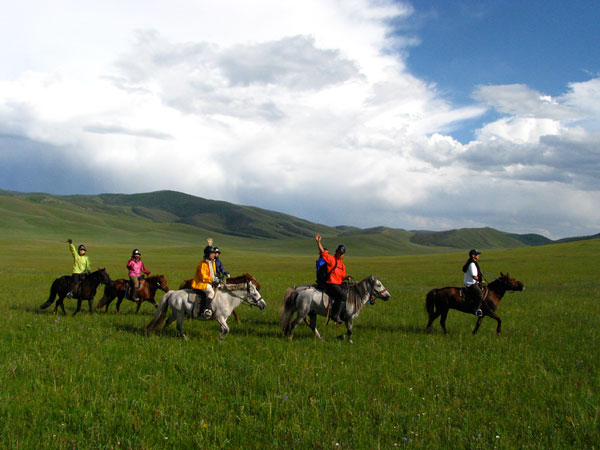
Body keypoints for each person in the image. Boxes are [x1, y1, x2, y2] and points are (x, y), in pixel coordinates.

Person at [315, 234, 347, 324]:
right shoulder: (332, 260)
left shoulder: (342, 265)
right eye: (339, 253)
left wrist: (347, 278)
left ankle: (343, 314)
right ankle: (335, 316)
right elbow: (323, 252)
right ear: (336, 252)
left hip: (338, 284)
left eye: (342, 253)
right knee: (343, 297)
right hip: (331, 284)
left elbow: (342, 276)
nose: (340, 255)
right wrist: (318, 242)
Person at [191, 245, 219, 318]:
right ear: (207, 255)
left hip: (209, 282)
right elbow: (203, 277)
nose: (214, 255)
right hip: (201, 283)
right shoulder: (202, 264)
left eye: (214, 253)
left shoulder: (212, 262)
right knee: (211, 292)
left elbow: (213, 274)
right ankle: (206, 310)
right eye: (212, 253)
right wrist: (212, 279)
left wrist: (216, 279)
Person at [463, 249, 485, 316]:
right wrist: (480, 281)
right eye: (477, 254)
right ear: (473, 256)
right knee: (480, 294)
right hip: (471, 283)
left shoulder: (472, 262)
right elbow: (474, 276)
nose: (478, 255)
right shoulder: (472, 264)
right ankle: (476, 310)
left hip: (474, 282)